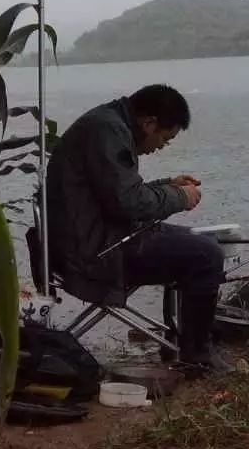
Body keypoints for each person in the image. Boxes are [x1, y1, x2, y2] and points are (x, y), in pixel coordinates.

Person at [45, 84, 229, 371]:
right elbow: (129, 203)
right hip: (97, 254)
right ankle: (196, 355)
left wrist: (167, 185)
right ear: (149, 123)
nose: (160, 147)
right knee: (208, 256)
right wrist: (180, 197)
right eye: (164, 139)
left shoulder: (107, 123)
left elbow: (116, 193)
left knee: (195, 243)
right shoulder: (108, 131)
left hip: (94, 238)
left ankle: (181, 339)